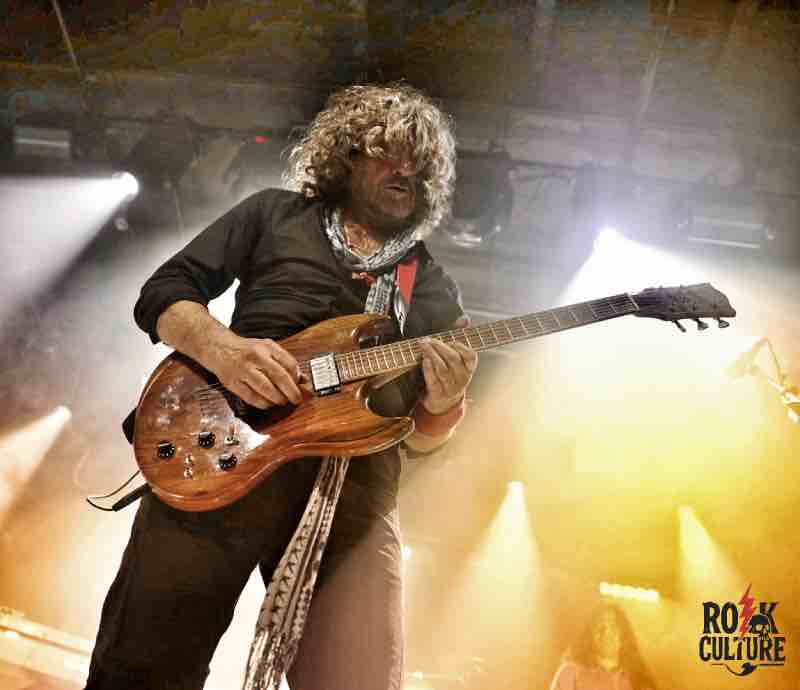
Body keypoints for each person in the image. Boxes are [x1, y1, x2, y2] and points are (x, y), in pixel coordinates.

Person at [84, 83, 477, 690]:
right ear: (347, 157)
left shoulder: (428, 285)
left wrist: (445, 406)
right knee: (143, 664)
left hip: (349, 493)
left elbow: (423, 444)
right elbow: (162, 295)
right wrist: (226, 352)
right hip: (222, 450)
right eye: (389, 154)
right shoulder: (274, 215)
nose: (407, 171)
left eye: (421, 164)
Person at [549, 603, 656, 690]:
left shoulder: (639, 680)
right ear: (589, 635)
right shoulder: (570, 673)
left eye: (613, 626)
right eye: (599, 626)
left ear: (624, 635)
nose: (606, 633)